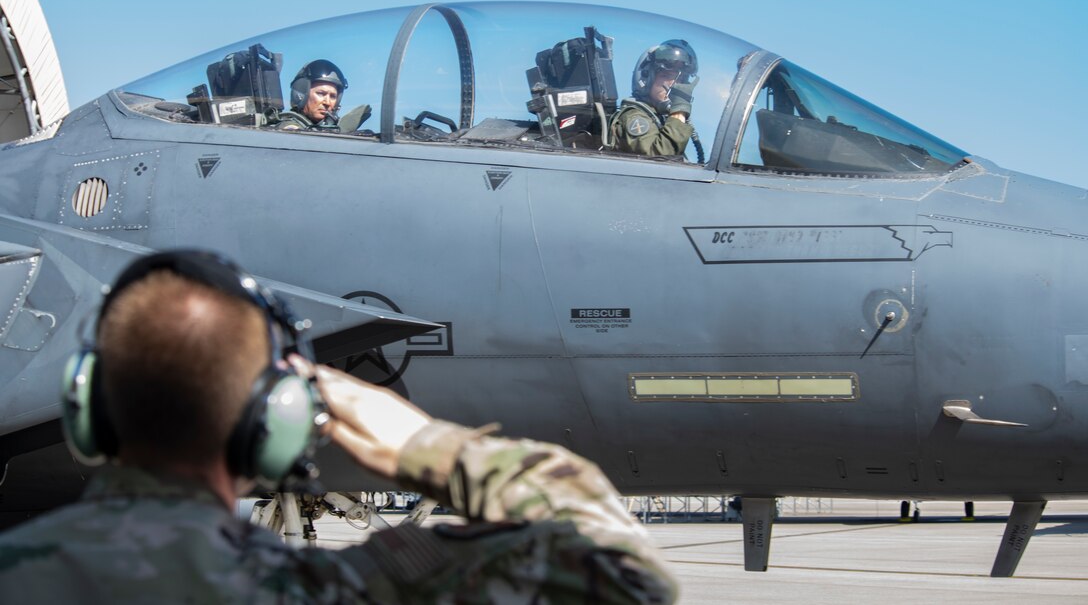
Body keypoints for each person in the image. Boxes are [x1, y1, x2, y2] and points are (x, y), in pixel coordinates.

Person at [0, 250, 677, 603]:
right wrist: (423, 443)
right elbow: (625, 573)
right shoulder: (331, 591)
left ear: (84, 404)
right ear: (276, 421)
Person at [609, 40, 700, 159]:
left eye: (680, 79)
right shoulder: (634, 116)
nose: (674, 84)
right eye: (666, 76)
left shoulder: (660, 120)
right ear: (647, 78)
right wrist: (679, 112)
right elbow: (657, 162)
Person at [273, 59, 349, 130]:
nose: (327, 102)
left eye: (333, 96)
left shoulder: (329, 129)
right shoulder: (289, 130)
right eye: (321, 94)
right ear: (301, 95)